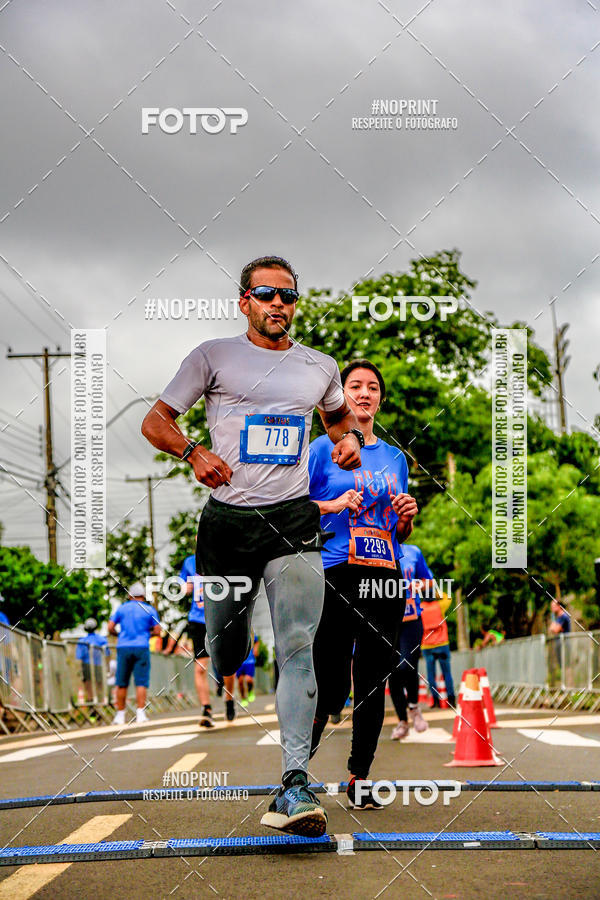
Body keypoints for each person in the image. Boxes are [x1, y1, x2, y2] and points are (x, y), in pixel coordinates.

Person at [141, 254, 364, 837]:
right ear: (244, 301)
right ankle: (225, 654)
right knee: (226, 652)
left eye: (288, 296)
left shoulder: (319, 366)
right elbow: (155, 421)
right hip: (227, 527)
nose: (278, 305)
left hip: (292, 520)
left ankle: (294, 784)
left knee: (297, 644)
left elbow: (341, 423)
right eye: (265, 294)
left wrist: (347, 445)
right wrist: (193, 453)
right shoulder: (213, 356)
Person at [308, 360, 418, 810]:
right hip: (336, 572)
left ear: (380, 399)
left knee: (373, 679)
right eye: (355, 386)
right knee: (329, 684)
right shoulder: (319, 449)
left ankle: (360, 778)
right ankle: (295, 773)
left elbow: (400, 531)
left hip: (386, 577)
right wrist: (334, 503)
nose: (364, 394)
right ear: (341, 395)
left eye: (373, 388)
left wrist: (407, 515)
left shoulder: (394, 457)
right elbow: (298, 509)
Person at [163, 553, 235, 728]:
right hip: (198, 619)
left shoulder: (223, 556)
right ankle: (206, 709)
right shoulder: (189, 561)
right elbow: (185, 585)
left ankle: (229, 699)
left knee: (228, 666)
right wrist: (184, 587)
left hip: (221, 616)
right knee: (200, 667)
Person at [389, 544, 433, 740]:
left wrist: (418, 585)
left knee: (407, 665)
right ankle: (402, 721)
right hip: (388, 622)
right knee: (392, 672)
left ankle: (414, 708)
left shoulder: (413, 552)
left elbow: (429, 581)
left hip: (412, 620)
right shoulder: (377, 550)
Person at [108, 582, 161, 725]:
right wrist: (146, 634)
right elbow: (157, 630)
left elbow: (110, 627)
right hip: (141, 647)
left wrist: (120, 634)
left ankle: (120, 715)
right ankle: (140, 713)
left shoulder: (122, 608)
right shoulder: (149, 609)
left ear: (130, 595)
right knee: (141, 682)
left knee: (121, 682)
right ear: (143, 595)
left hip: (123, 647)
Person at [420, 590, 456, 708]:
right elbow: (448, 598)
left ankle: (435, 701)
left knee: (431, 674)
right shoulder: (439, 606)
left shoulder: (420, 608)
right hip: (442, 643)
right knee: (447, 673)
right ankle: (451, 699)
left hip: (427, 645)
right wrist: (436, 591)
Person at [75, 617, 110, 702]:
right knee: (99, 686)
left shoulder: (82, 641)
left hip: (86, 665)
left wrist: (79, 670)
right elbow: (107, 654)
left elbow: (79, 657)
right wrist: (108, 667)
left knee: (88, 686)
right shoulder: (102, 640)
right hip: (99, 665)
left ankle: (91, 705)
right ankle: (100, 704)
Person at [236, 633, 259, 706]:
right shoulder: (232, 631)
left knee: (249, 679)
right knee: (240, 681)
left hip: (249, 661)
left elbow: (256, 641)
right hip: (238, 662)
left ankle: (250, 691)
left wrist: (255, 649)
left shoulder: (247, 629)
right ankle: (243, 698)